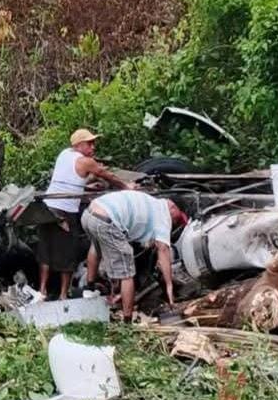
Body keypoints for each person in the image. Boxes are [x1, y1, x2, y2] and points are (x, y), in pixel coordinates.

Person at [37, 129, 133, 300]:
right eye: (89, 143)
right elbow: (107, 175)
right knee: (68, 254)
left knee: (46, 250)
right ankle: (63, 295)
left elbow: (69, 178)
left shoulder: (64, 154)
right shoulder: (85, 161)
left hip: (48, 206)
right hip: (65, 210)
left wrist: (86, 186)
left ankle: (42, 291)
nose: (93, 147)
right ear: (78, 145)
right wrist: (126, 187)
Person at [81, 190, 188, 322]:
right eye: (178, 217)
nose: (176, 221)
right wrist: (169, 286)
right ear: (172, 207)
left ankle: (89, 289)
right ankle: (127, 321)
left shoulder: (153, 203)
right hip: (105, 221)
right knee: (127, 272)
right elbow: (163, 251)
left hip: (89, 214)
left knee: (96, 247)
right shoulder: (164, 216)